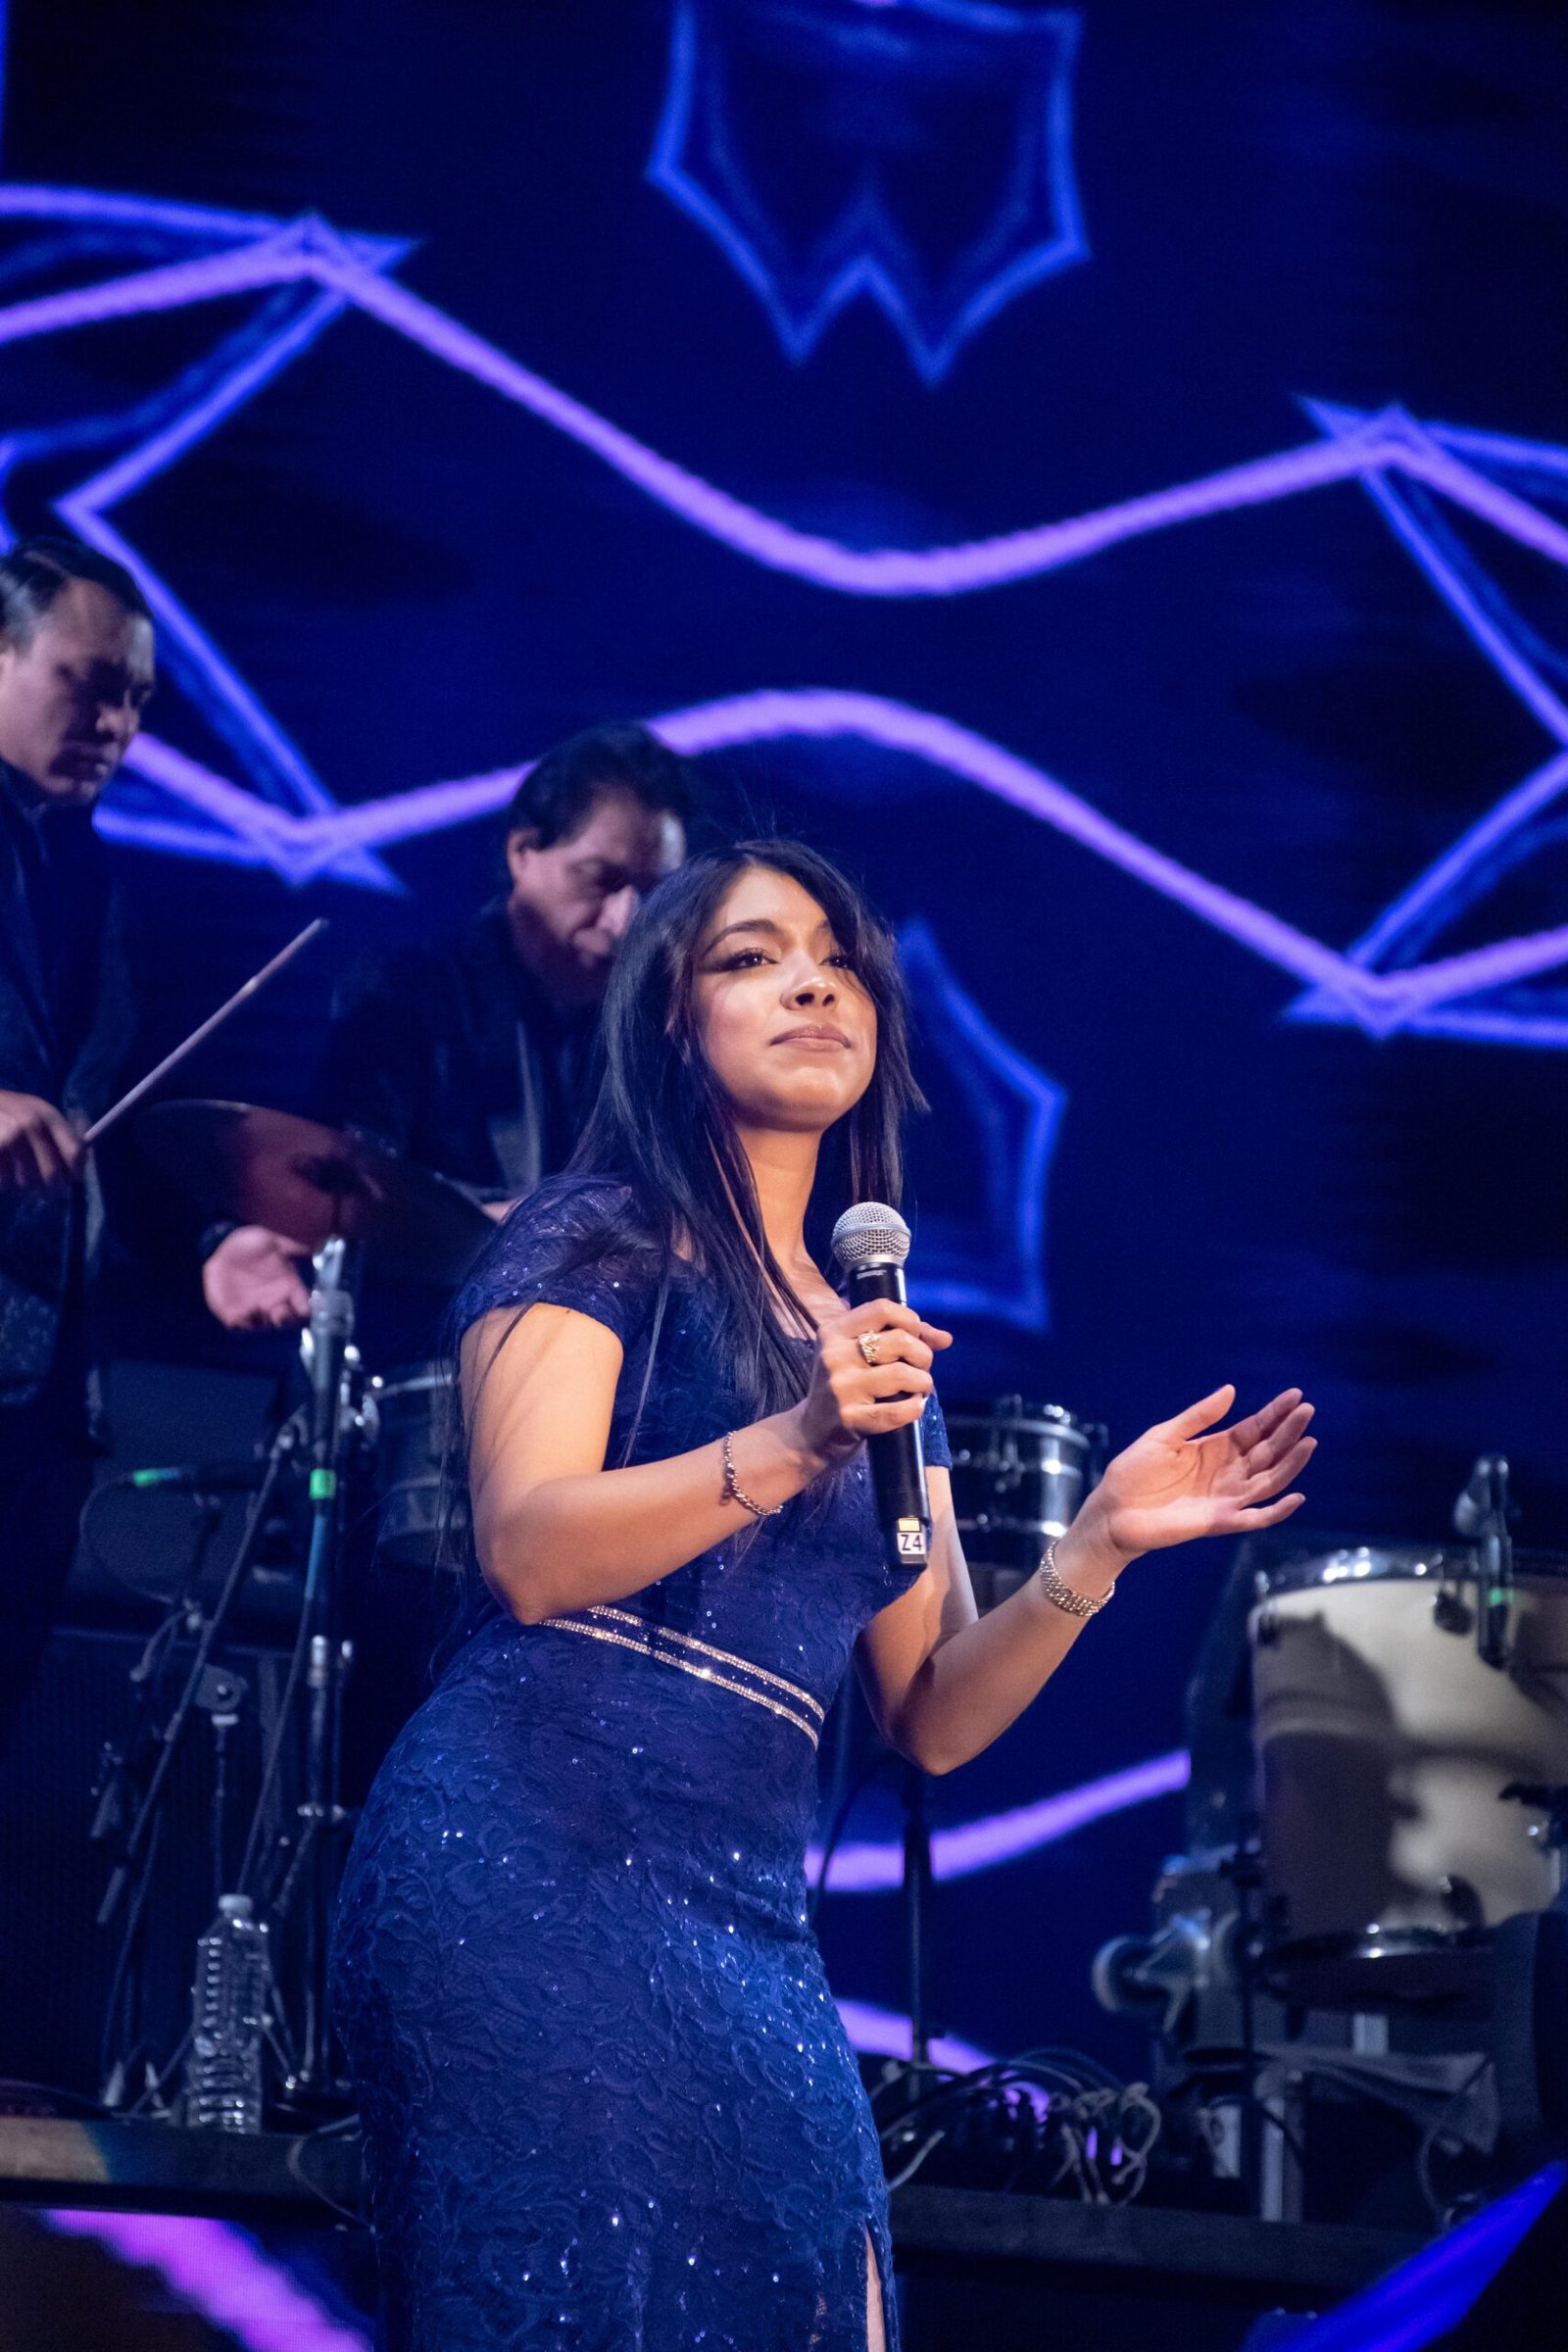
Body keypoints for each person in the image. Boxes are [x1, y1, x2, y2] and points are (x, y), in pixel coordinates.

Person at [329, 838, 1316, 2350]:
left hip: (746, 1923)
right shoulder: (589, 1237)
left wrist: (1096, 1548)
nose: (813, 985)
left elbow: (930, 1715)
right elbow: (530, 1548)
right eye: (753, 958)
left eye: (840, 961)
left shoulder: (882, 1347)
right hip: (521, 1864)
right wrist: (797, 1437)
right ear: (672, 1023)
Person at [201, 720, 694, 1336]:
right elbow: (343, 1179)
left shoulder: (661, 1030)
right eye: (600, 880)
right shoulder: (408, 995)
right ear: (522, 852)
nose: (625, 921)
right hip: (421, 1351)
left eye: (654, 894)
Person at [0, 534, 155, 1760]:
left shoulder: (95, 874)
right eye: (89, 685)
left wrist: (219, 1241)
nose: (115, 725)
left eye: (135, 700)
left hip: (42, 1390)